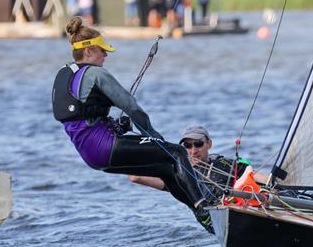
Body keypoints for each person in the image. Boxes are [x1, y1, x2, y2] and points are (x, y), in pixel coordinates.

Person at [52, 17, 208, 223]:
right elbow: (132, 108)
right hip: (107, 147)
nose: (106, 55)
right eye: (102, 50)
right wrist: (155, 137)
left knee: (165, 169)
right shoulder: (96, 74)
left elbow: (84, 119)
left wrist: (117, 126)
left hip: (91, 156)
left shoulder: (64, 75)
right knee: (176, 152)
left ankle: (200, 212)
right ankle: (204, 208)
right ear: (88, 51)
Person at [129, 124, 268, 233]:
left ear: (209, 144)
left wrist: (277, 181)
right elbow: (135, 177)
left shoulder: (225, 163)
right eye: (187, 146)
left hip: (244, 212)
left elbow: (256, 176)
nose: (193, 150)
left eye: (198, 144)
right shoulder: (178, 174)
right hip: (216, 220)